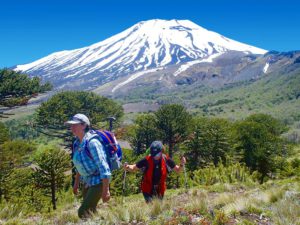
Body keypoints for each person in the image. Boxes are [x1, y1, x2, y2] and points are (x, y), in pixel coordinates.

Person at [65, 113, 111, 218]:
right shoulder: (77, 143)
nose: (72, 127)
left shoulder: (93, 143)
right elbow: (79, 165)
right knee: (91, 211)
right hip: (88, 182)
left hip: (98, 181)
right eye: (71, 125)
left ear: (84, 125)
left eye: (75, 125)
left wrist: (106, 190)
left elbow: (104, 168)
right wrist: (76, 184)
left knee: (83, 212)